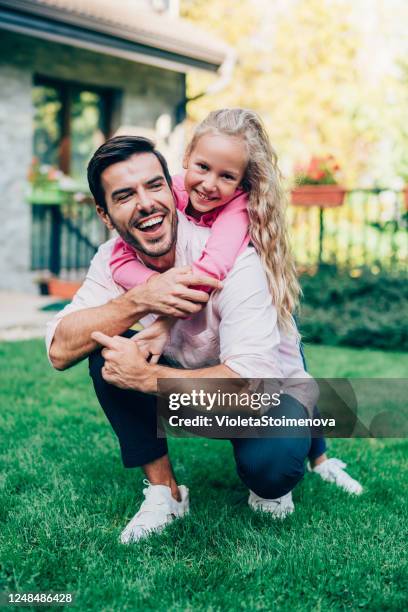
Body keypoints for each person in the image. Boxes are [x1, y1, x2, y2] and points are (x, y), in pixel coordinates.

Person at [45, 128, 358, 545]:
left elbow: (253, 384)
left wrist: (147, 380)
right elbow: (59, 349)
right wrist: (139, 300)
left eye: (154, 185)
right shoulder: (111, 260)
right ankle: (165, 493)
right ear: (104, 215)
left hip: (257, 386)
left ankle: (318, 459)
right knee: (106, 352)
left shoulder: (235, 258)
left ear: (170, 189)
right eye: (124, 196)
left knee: (273, 470)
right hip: (194, 382)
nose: (146, 204)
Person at [110, 109, 362, 492]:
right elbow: (118, 260)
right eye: (203, 167)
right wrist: (152, 287)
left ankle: (321, 460)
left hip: (257, 327)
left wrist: (162, 320)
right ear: (186, 159)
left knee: (294, 379)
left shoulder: (237, 211)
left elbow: (209, 273)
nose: (210, 184)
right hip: (216, 333)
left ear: (242, 181)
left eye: (226, 176)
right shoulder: (168, 192)